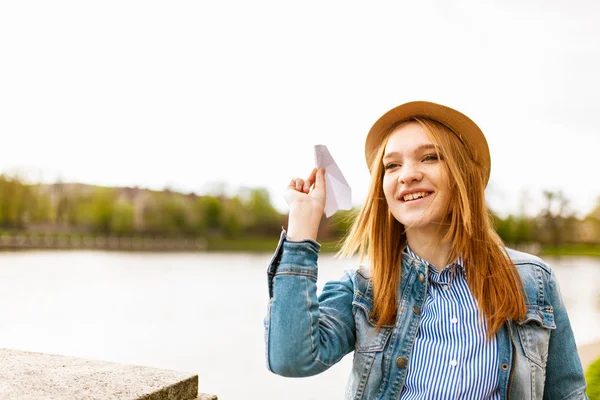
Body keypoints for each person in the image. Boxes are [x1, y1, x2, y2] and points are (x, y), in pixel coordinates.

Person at [264, 101, 588, 399]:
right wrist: (302, 229)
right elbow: (290, 358)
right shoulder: (363, 290)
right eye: (392, 166)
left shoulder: (532, 280)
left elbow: (567, 393)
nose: (408, 175)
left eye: (429, 157)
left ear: (462, 175)